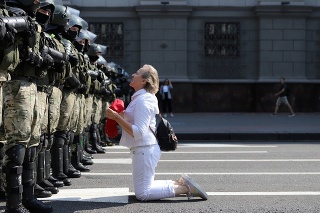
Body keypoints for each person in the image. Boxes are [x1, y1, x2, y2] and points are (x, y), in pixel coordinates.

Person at [106, 64, 208, 201]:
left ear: (144, 81)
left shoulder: (143, 100)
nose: (133, 75)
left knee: (143, 194)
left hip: (144, 149)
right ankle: (178, 183)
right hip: (143, 149)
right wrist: (122, 115)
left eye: (137, 73)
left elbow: (138, 132)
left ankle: (186, 188)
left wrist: (116, 117)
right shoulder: (140, 98)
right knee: (144, 188)